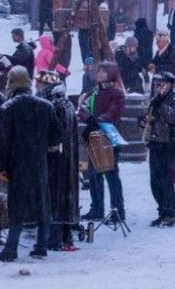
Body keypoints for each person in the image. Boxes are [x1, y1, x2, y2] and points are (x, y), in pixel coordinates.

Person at [0, 66, 60, 261]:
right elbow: (57, 134)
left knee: (17, 204)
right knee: (42, 202)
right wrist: (42, 143)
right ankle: (42, 246)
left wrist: (1, 167)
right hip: (39, 162)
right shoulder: (45, 106)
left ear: (11, 83)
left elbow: (3, 141)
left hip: (17, 163)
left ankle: (11, 248)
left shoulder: (8, 108)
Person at [77, 61, 126, 222]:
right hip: (94, 135)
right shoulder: (94, 91)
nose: (99, 74)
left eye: (103, 72)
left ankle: (117, 210)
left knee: (111, 176)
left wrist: (98, 120)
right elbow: (82, 108)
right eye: (99, 72)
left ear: (111, 74)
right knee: (93, 175)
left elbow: (113, 113)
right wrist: (88, 118)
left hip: (108, 137)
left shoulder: (116, 93)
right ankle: (96, 208)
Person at [36, 70, 79, 251]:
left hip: (55, 158)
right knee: (66, 196)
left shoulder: (53, 105)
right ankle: (66, 235)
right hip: (68, 158)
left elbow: (54, 133)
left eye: (40, 84)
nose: (37, 88)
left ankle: (55, 238)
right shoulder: (67, 103)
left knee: (54, 197)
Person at [143, 72, 175, 227]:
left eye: (163, 83)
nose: (159, 87)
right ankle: (162, 211)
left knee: (166, 181)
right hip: (155, 142)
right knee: (155, 182)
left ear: (170, 84)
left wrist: (160, 105)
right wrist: (143, 120)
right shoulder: (155, 98)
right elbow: (150, 118)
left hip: (168, 144)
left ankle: (172, 212)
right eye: (157, 83)